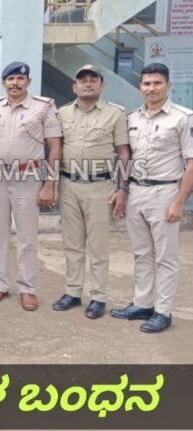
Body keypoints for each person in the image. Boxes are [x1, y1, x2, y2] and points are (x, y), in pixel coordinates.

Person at [111, 63, 193, 333]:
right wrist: (122, 190)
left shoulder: (183, 118)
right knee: (141, 253)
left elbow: (191, 163)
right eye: (147, 84)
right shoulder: (132, 118)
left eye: (157, 83)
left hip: (165, 193)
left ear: (168, 86)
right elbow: (126, 158)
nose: (152, 88)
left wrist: (179, 202)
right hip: (136, 192)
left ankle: (163, 311)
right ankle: (142, 303)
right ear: (140, 87)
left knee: (165, 257)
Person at [0, 61, 63, 312]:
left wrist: (49, 184)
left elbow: (55, 146)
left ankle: (27, 288)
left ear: (28, 81)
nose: (15, 83)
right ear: (4, 82)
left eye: (20, 79)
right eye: (10, 79)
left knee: (27, 236)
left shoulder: (43, 107)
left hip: (28, 177)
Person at [52, 64, 130, 320]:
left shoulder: (115, 114)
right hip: (69, 185)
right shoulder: (62, 113)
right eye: (82, 80)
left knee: (98, 247)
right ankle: (72, 292)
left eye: (93, 80)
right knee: (72, 244)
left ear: (102, 85)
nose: (87, 83)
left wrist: (122, 189)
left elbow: (123, 153)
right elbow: (55, 148)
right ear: (74, 86)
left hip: (100, 188)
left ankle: (98, 297)